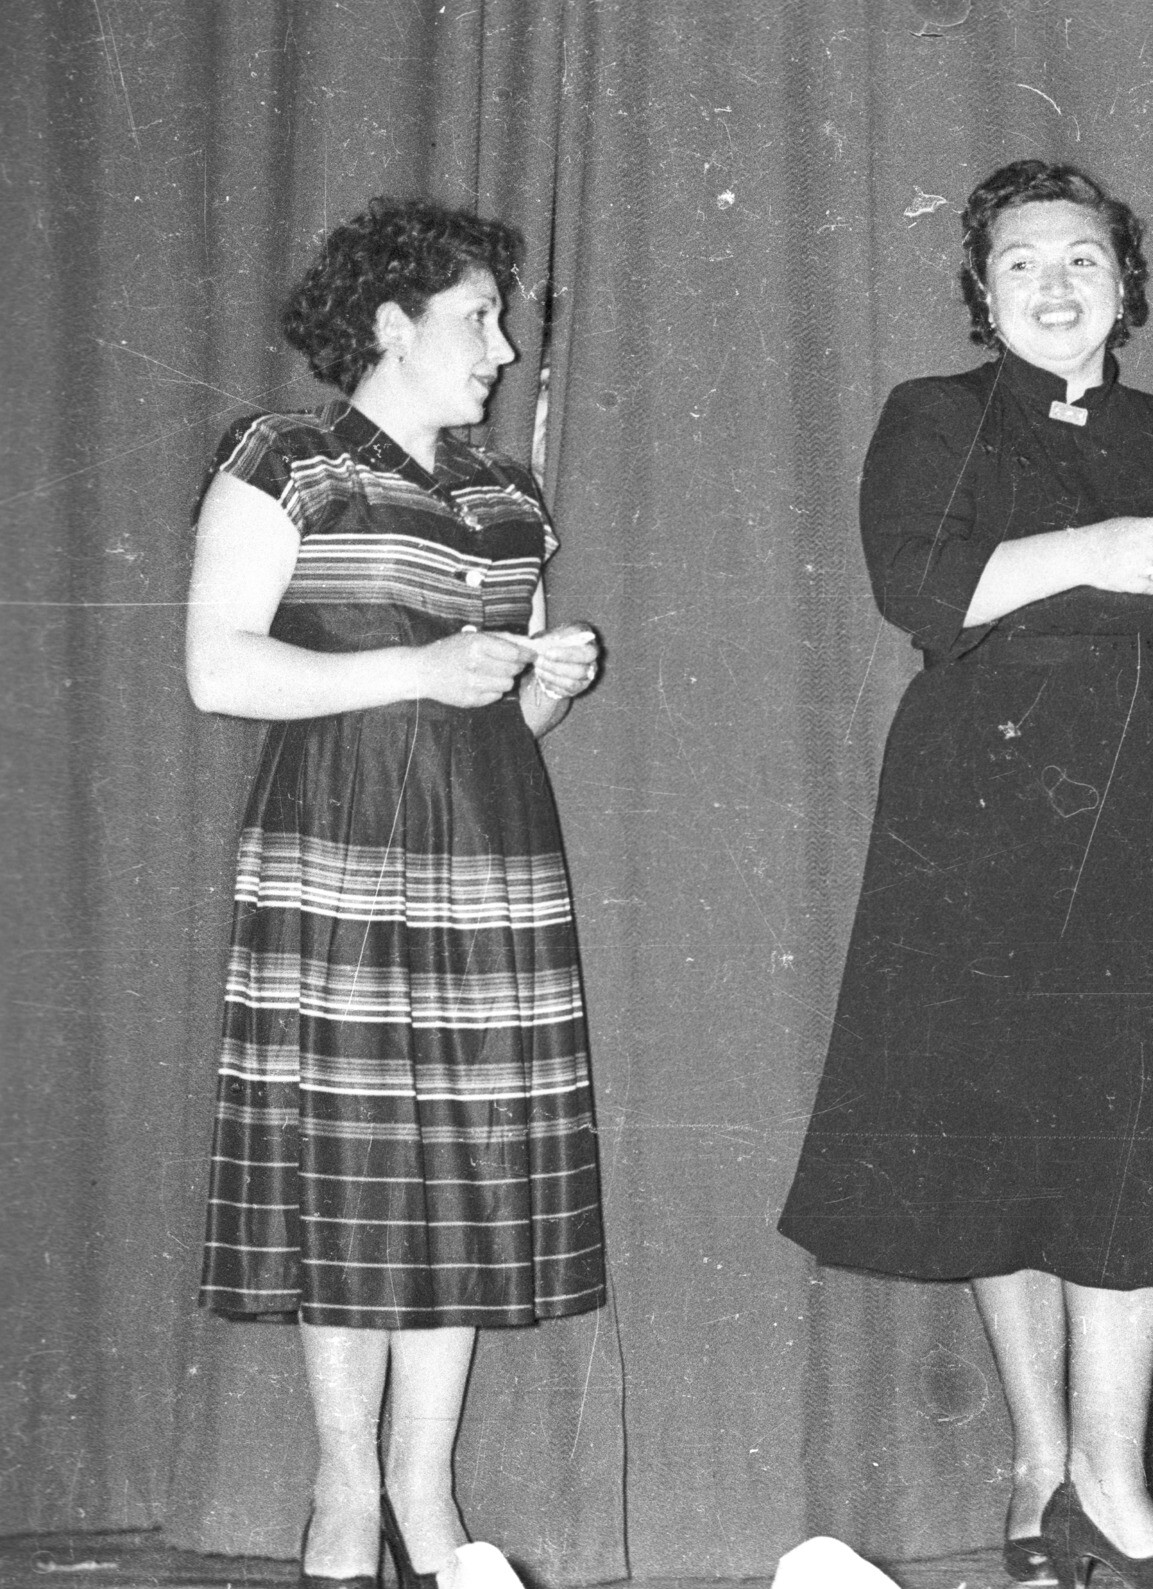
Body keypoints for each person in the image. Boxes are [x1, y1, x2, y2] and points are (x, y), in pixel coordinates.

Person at [777, 159, 1153, 1589]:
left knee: (1125, 1135)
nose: (1055, 285)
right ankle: (1050, 1474)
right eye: (1021, 265)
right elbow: (921, 588)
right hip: (979, 797)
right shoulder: (933, 418)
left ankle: (1113, 1494)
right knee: (1010, 1139)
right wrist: (1090, 547)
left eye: (1081, 260)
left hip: (1133, 799)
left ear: (1124, 287)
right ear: (982, 293)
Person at [187, 197, 604, 1589]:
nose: (499, 348)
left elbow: (482, 720)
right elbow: (221, 670)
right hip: (341, 846)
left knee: (463, 1180)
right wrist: (418, 670)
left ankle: (430, 1498)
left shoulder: (507, 499)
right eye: (475, 318)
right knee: (355, 1173)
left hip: (487, 847)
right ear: (389, 323)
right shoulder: (285, 459)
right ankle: (344, 1496)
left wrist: (535, 686)